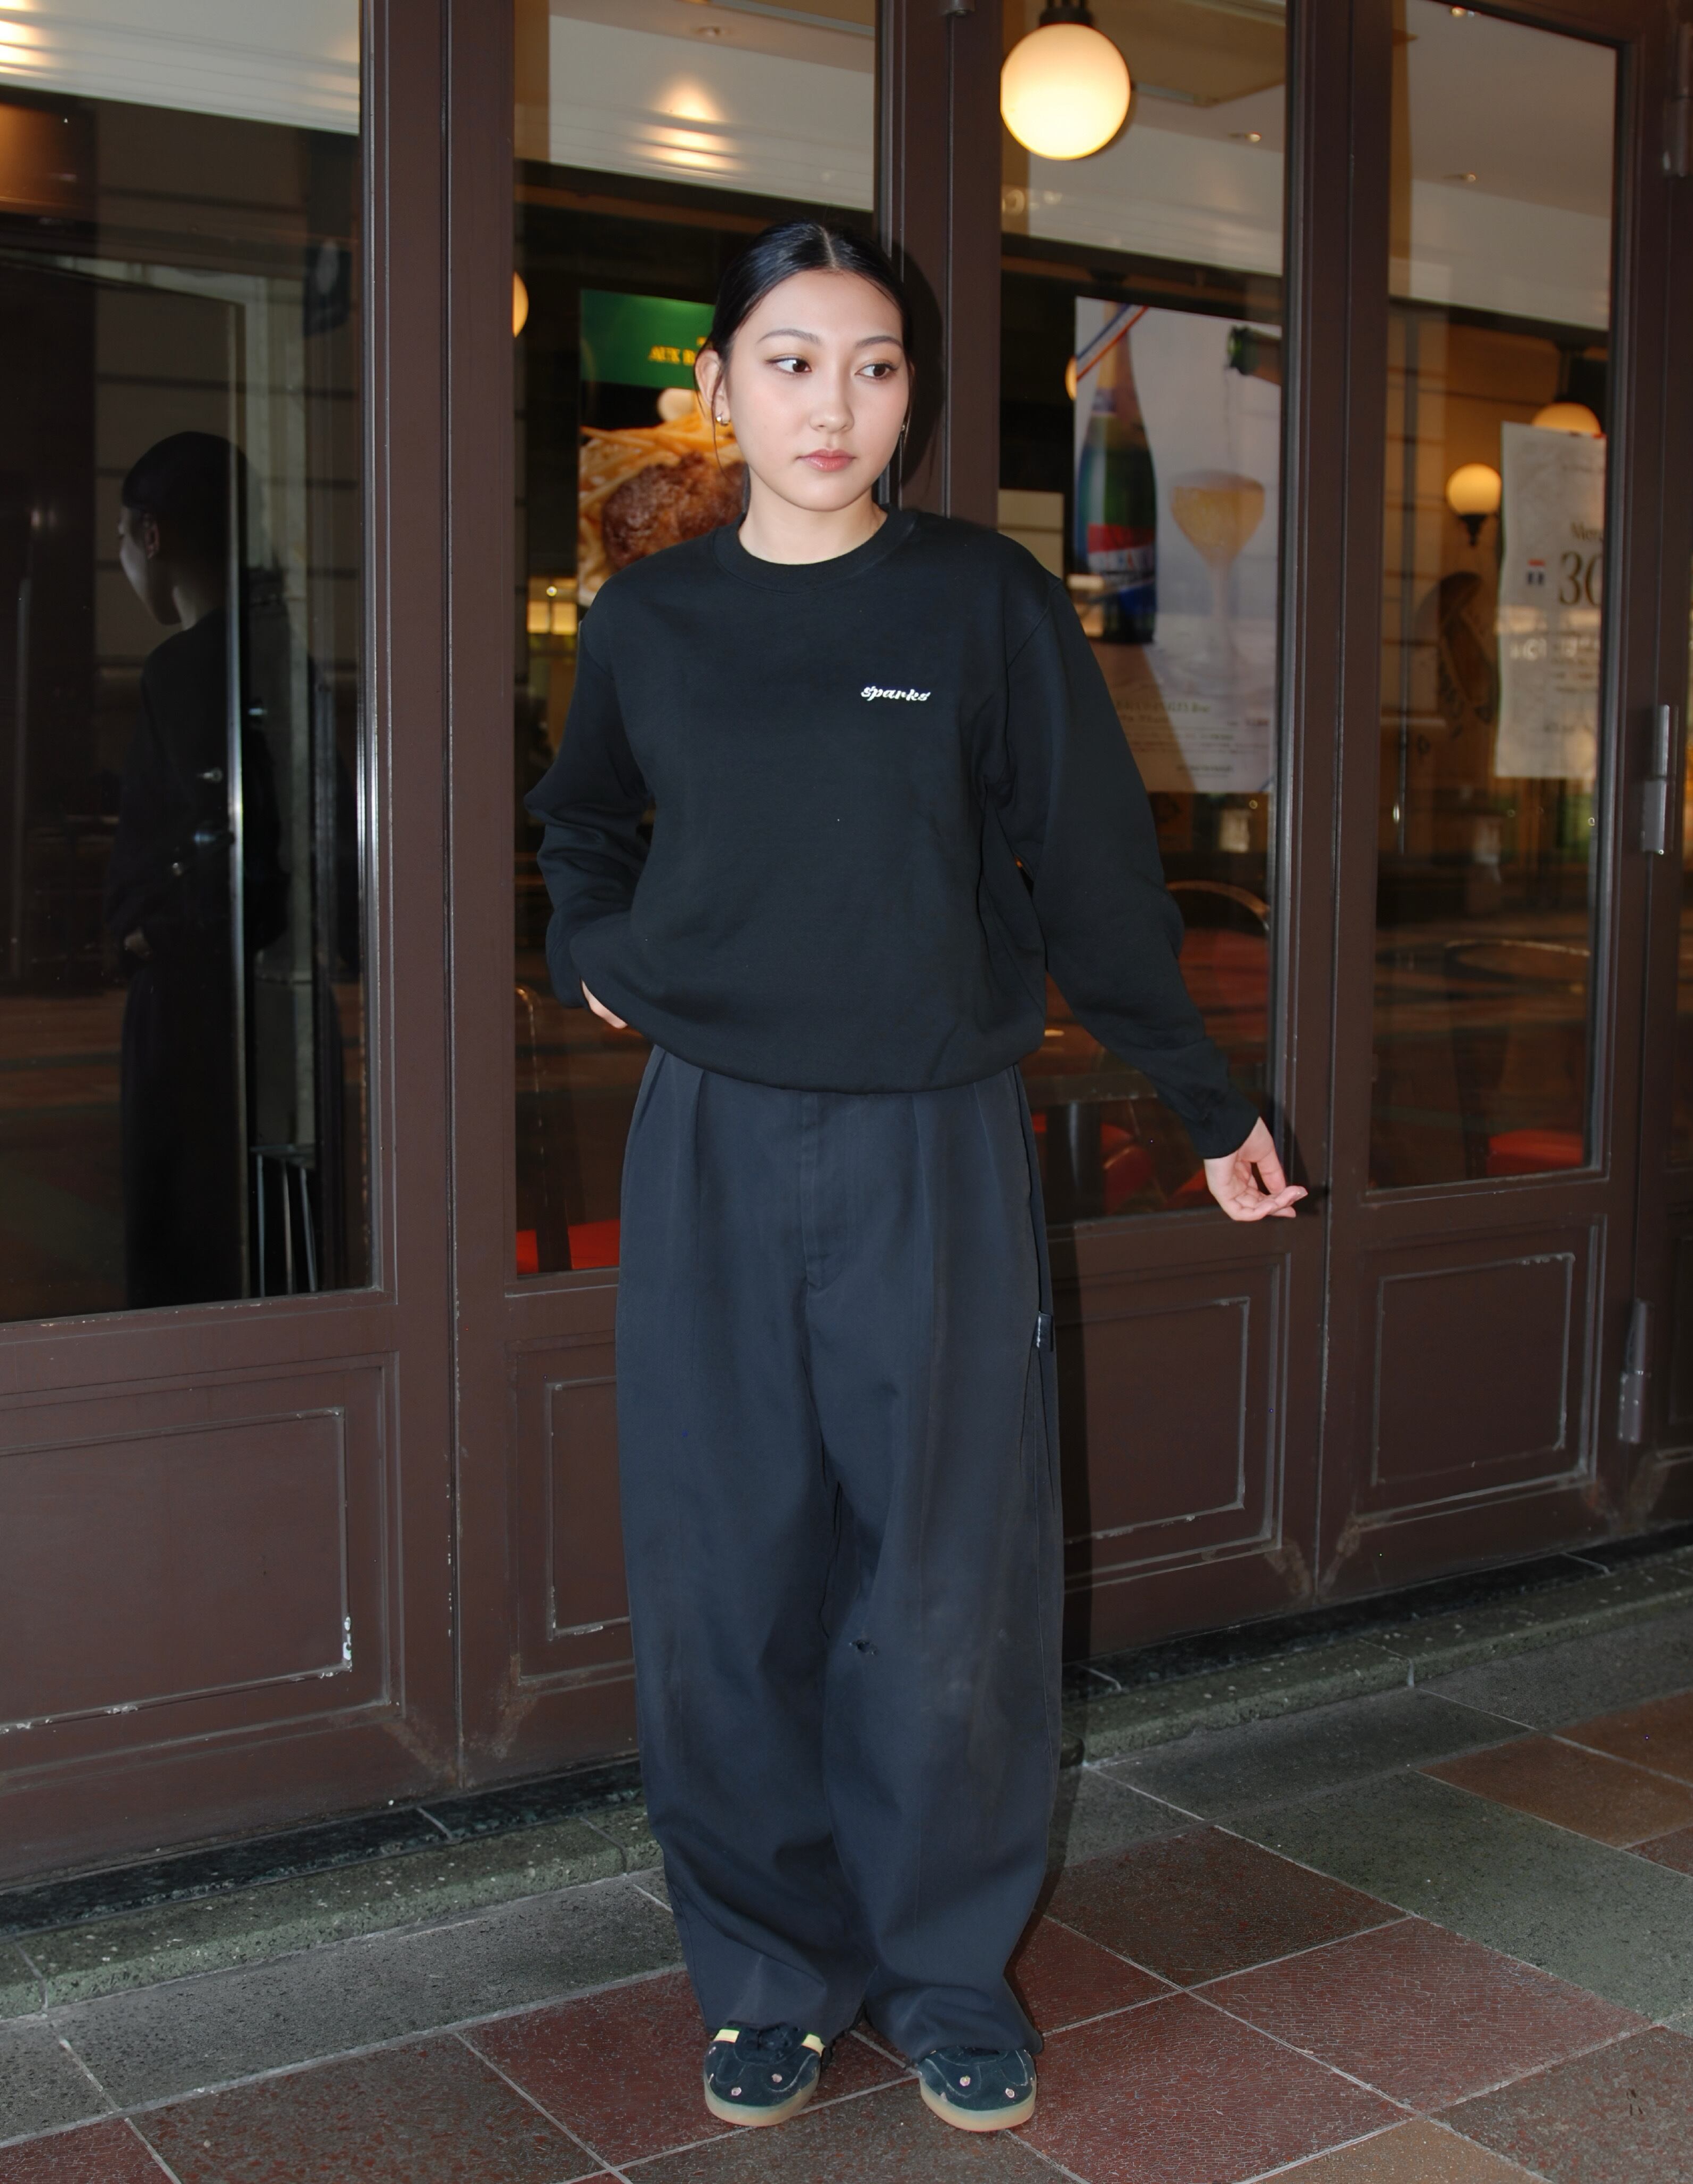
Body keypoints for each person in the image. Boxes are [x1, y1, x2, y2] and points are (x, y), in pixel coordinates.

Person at [526, 221, 1302, 2138]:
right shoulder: (650, 620)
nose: (834, 404)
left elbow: (1096, 872)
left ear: (910, 396)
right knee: (725, 1573)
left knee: (947, 1573)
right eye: (791, 362)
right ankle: (765, 1977)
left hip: (931, 1142)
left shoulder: (980, 602)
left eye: (873, 367)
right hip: (711, 1139)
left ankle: (947, 1970)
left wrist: (1205, 1104)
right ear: (718, 386)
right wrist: (591, 942)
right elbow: (580, 817)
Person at [107, 431, 285, 1308]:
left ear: (154, 535)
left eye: (121, 537)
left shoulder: (183, 671)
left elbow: (217, 844)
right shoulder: (278, 656)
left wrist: (150, 932)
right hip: (267, 1006)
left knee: (182, 1241)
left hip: (193, 1008)